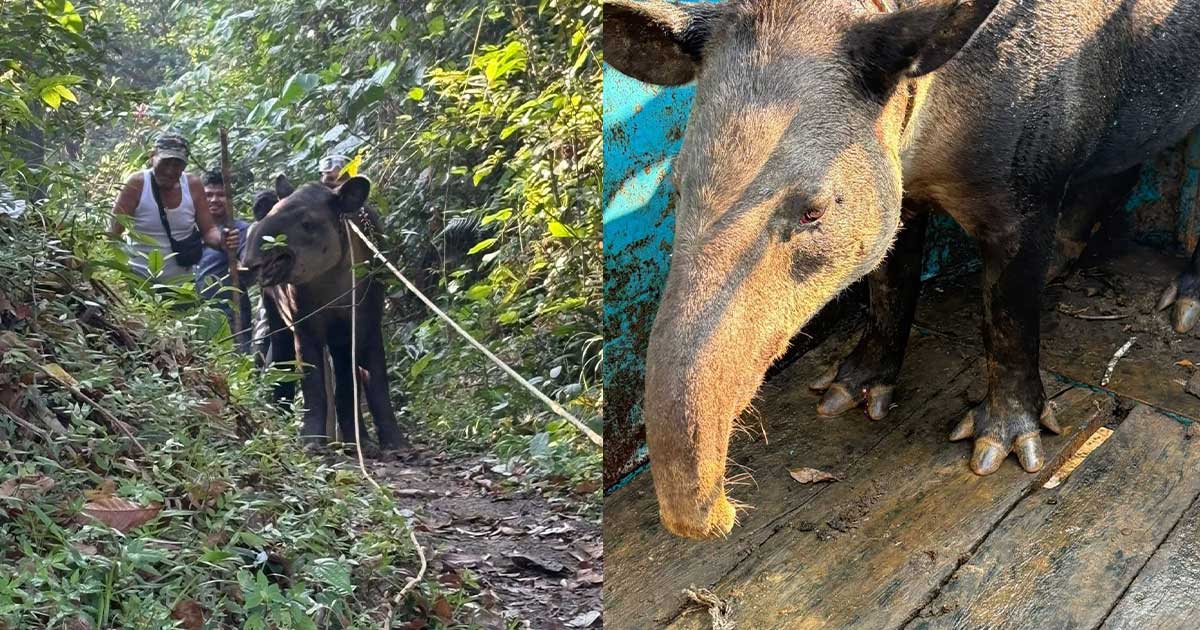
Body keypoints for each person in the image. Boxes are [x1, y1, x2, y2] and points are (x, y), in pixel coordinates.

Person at [109, 133, 238, 284]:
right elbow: (113, 234)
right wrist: (112, 275)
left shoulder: (192, 185)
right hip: (139, 282)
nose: (170, 170)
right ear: (152, 157)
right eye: (165, 162)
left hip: (182, 284)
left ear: (185, 165)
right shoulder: (137, 184)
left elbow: (208, 229)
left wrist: (223, 239)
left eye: (177, 164)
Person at [194, 169, 253, 352]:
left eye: (220, 195)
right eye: (208, 195)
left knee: (235, 364)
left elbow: (249, 265)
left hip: (230, 315)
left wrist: (239, 263)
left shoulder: (240, 231)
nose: (213, 200)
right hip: (195, 314)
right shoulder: (190, 228)